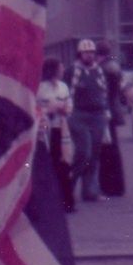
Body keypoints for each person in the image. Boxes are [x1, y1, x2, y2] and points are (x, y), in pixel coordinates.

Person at [66, 39, 108, 203]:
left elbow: (104, 91)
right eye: (86, 52)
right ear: (80, 54)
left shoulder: (99, 71)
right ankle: (68, 185)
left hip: (98, 115)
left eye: (91, 52)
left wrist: (106, 111)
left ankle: (89, 190)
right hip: (79, 115)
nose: (89, 55)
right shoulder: (73, 71)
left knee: (94, 155)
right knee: (84, 152)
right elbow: (67, 91)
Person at [37, 57, 74, 212]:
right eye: (60, 67)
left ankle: (67, 202)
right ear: (53, 70)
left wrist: (65, 109)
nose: (63, 70)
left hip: (61, 129)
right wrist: (49, 110)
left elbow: (69, 105)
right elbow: (36, 108)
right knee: (47, 165)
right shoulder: (40, 88)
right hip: (45, 131)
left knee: (64, 164)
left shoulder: (63, 87)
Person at [95, 40, 126, 196]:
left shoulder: (103, 69)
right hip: (114, 110)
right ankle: (117, 186)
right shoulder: (114, 66)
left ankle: (108, 185)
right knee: (112, 148)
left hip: (106, 111)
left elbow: (104, 93)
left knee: (106, 149)